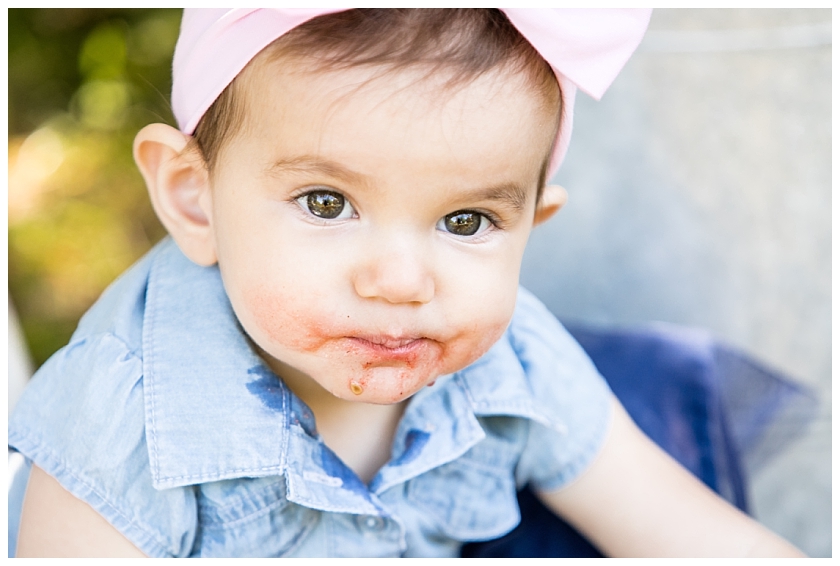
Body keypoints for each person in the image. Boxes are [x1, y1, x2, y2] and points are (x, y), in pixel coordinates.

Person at [9, 9, 805, 557]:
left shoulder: (516, 360)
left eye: (465, 222)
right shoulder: (119, 429)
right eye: (327, 203)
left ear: (532, 223)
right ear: (195, 198)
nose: (400, 282)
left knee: (660, 399)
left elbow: (698, 537)